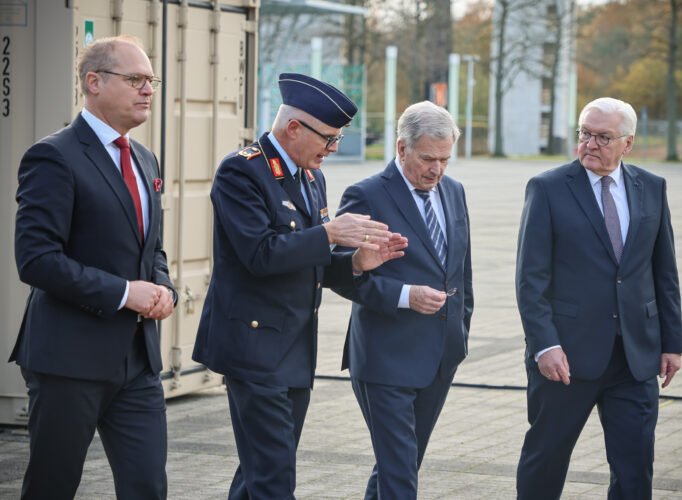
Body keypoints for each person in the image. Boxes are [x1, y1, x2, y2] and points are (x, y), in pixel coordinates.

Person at [192, 73, 407, 500]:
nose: (333, 149)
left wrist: (358, 263)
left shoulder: (311, 177)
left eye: (337, 140)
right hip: (254, 349)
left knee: (261, 470)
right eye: (328, 139)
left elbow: (313, 267)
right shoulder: (243, 171)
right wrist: (329, 235)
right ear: (294, 128)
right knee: (274, 477)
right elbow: (260, 254)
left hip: (293, 349)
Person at [11, 35, 176, 499]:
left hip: (138, 362)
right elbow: (36, 259)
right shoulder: (54, 156)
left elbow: (151, 250)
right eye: (136, 80)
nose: (148, 90)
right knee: (52, 486)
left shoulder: (144, 159)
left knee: (147, 486)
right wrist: (125, 293)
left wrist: (163, 289)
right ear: (94, 82)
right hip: (68, 359)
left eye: (151, 81)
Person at [515, 97, 682, 499]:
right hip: (566, 358)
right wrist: (545, 345)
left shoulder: (652, 188)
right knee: (545, 460)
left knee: (634, 468)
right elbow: (530, 279)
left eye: (602, 137)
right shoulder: (548, 188)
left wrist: (671, 343)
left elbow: (664, 272)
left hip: (635, 357)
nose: (590, 143)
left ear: (627, 143)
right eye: (584, 134)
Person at [333, 100, 473, 499]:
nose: (437, 169)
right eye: (428, 158)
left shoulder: (454, 192)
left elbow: (462, 270)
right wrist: (405, 296)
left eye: (445, 159)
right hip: (385, 358)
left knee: (401, 466)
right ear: (401, 148)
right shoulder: (367, 195)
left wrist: (461, 332)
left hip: (441, 355)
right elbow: (342, 274)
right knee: (399, 476)